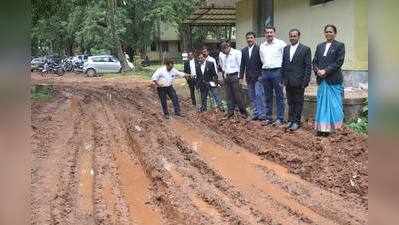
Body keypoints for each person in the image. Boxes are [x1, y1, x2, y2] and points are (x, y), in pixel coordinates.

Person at [312, 24, 345, 136]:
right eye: (326, 31)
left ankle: (334, 128)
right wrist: (317, 71)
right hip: (322, 80)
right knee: (322, 104)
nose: (328, 33)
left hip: (333, 79)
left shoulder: (340, 45)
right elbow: (314, 61)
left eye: (330, 32)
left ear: (335, 33)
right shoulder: (320, 46)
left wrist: (325, 71)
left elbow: (339, 62)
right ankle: (322, 128)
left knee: (334, 104)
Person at [281, 28, 312, 131]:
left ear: (298, 36)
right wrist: (283, 79)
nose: (292, 37)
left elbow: (308, 66)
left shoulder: (305, 49)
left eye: (295, 36)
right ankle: (290, 120)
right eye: (291, 36)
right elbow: (284, 65)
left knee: (298, 102)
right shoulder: (286, 49)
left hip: (299, 82)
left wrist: (306, 81)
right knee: (290, 101)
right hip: (288, 81)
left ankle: (296, 122)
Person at [259, 26, 287, 126]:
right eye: (267, 32)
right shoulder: (262, 46)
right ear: (265, 34)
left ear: (274, 33)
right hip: (265, 72)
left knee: (279, 96)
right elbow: (262, 59)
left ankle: (280, 118)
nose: (269, 34)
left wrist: (283, 73)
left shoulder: (281, 44)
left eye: (271, 32)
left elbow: (285, 58)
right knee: (267, 96)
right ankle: (269, 117)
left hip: (277, 72)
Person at [240, 31, 265, 121]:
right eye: (248, 38)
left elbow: (263, 63)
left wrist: (262, 75)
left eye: (251, 38)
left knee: (259, 95)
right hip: (249, 77)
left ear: (254, 39)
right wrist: (241, 77)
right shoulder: (244, 51)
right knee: (252, 96)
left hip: (258, 77)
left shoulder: (259, 49)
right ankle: (255, 113)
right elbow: (242, 65)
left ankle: (262, 114)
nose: (249, 39)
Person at [219, 41, 247, 118]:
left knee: (238, 96)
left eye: (224, 50)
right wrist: (224, 76)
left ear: (228, 47)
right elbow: (223, 66)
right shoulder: (223, 55)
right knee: (229, 95)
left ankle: (243, 112)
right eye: (222, 51)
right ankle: (230, 112)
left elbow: (241, 66)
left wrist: (240, 78)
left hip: (235, 76)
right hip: (227, 77)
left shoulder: (236, 53)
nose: (224, 53)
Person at [202, 46, 224, 111]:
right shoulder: (201, 60)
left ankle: (221, 108)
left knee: (215, 94)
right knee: (206, 96)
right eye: (203, 52)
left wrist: (216, 81)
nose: (204, 53)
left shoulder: (212, 60)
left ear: (208, 52)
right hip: (204, 81)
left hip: (212, 80)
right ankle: (208, 109)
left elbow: (215, 71)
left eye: (205, 51)